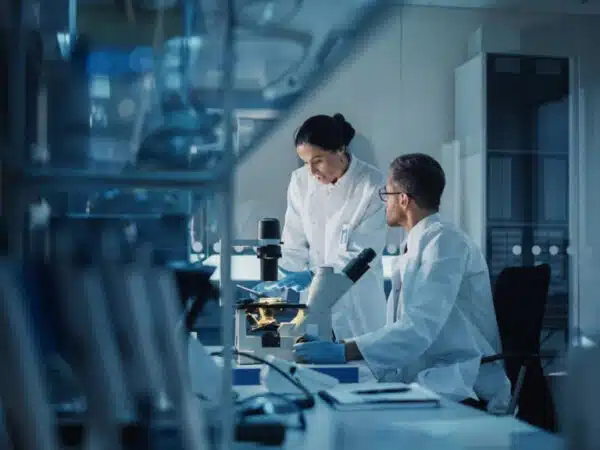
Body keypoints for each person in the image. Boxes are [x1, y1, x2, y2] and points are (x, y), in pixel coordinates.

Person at [293, 153, 512, 413]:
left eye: (387, 195)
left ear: (404, 199)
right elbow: (406, 332)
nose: (385, 203)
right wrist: (343, 350)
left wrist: (343, 351)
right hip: (428, 376)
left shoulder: (445, 243)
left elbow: (418, 328)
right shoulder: (415, 245)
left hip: (460, 382)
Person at [253, 113, 387, 340]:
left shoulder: (372, 185)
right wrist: (278, 280)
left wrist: (313, 275)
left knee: (357, 357)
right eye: (306, 163)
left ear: (340, 150)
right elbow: (294, 240)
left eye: (318, 161)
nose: (312, 171)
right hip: (313, 304)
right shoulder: (300, 181)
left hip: (357, 307)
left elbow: (364, 253)